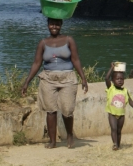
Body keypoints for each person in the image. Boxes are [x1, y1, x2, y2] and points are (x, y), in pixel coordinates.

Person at [21, 18, 88, 149]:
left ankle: (69, 135)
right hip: (48, 78)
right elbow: (36, 63)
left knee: (67, 109)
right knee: (50, 111)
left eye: (57, 24)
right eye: (52, 24)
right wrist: (26, 82)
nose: (54, 26)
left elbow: (75, 59)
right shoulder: (43, 43)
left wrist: (83, 78)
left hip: (67, 77)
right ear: (47, 25)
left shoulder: (69, 40)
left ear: (61, 25)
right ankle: (52, 141)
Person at [105, 62, 133, 150]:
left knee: (118, 131)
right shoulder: (111, 88)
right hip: (112, 114)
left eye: (121, 79)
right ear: (113, 80)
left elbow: (130, 101)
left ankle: (118, 145)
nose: (120, 80)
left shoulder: (125, 91)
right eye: (117, 79)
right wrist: (112, 68)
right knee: (113, 129)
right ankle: (114, 144)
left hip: (121, 115)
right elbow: (106, 78)